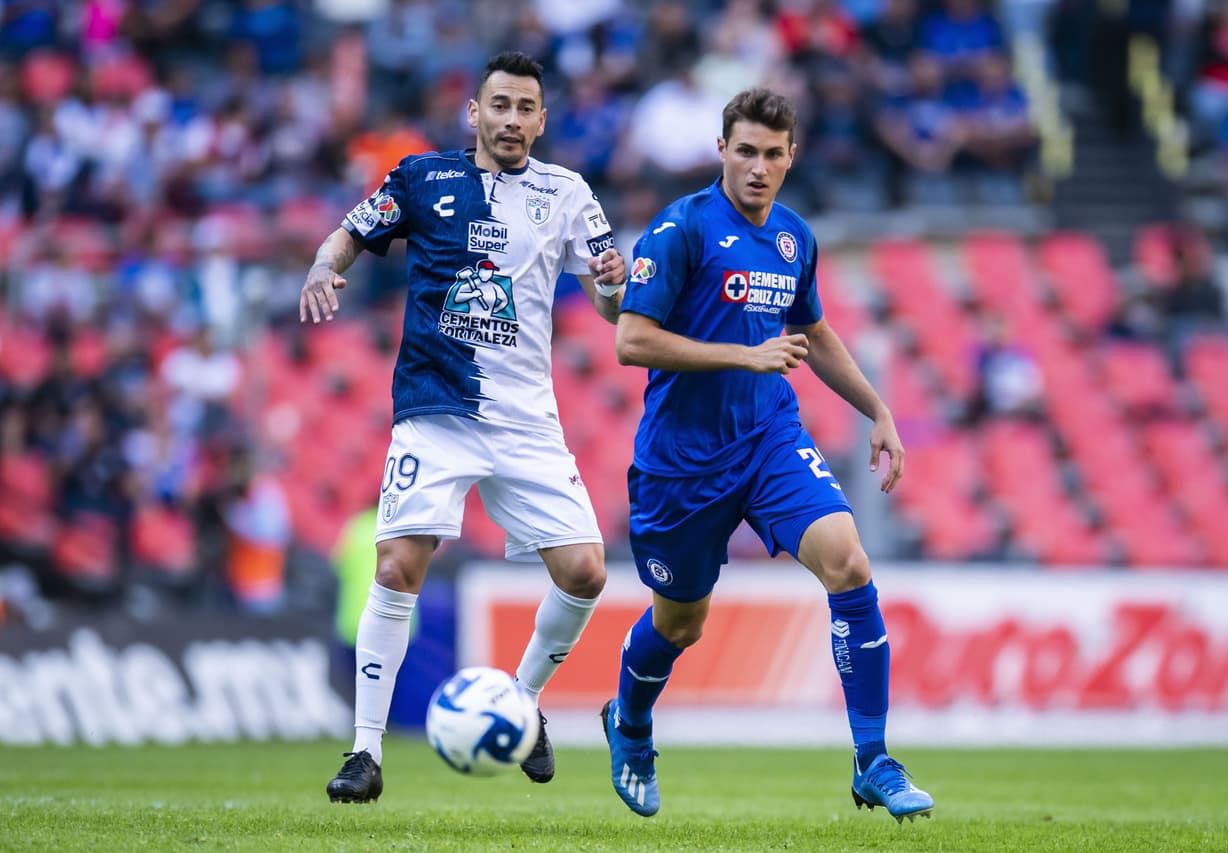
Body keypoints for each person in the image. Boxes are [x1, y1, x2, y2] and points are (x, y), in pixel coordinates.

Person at [600, 88, 934, 822]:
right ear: (721, 149)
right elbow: (631, 340)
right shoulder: (679, 229)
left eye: (771, 154)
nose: (757, 167)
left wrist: (877, 408)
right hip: (682, 461)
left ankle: (872, 757)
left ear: (792, 157)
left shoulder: (793, 238)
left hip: (770, 441)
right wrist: (740, 356)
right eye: (744, 151)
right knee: (682, 623)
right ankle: (628, 720)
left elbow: (811, 332)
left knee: (848, 561)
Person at [302, 51, 627, 803]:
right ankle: (365, 752)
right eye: (499, 105)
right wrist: (324, 266)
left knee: (585, 571)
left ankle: (522, 701)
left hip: (526, 421)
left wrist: (613, 290)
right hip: (436, 412)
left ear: (543, 120)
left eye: (526, 108)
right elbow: (351, 230)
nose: (512, 120)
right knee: (393, 569)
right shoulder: (422, 177)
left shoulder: (569, 193)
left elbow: (611, 309)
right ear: (473, 114)